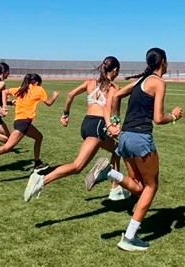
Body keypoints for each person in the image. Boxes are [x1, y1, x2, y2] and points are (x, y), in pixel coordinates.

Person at [90, 48, 183, 252]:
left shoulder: (140, 81)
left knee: (139, 187)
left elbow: (115, 96)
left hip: (124, 138)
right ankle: (129, 237)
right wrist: (174, 116)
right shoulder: (158, 82)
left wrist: (114, 122)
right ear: (164, 62)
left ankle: (109, 173)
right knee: (151, 187)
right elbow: (158, 118)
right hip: (140, 139)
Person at [24, 56, 128, 202]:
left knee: (117, 150)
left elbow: (70, 94)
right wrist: (116, 125)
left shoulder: (90, 83)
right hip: (99, 126)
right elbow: (113, 112)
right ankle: (41, 180)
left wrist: (65, 114)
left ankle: (114, 188)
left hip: (86, 125)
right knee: (77, 166)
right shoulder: (114, 88)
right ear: (115, 70)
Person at [0, 73, 59, 176]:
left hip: (20, 121)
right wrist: (54, 96)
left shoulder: (22, 89)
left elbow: (4, 92)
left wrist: (4, 105)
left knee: (39, 137)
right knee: (8, 146)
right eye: (39, 84)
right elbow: (48, 102)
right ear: (36, 82)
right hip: (23, 123)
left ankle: (37, 163)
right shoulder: (38, 89)